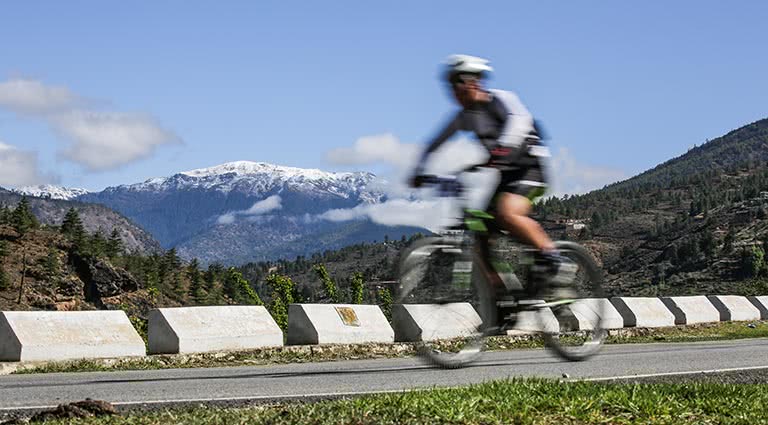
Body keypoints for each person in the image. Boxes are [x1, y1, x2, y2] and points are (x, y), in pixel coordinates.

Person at [409, 54, 574, 294]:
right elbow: (435, 143)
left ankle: (555, 259)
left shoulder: (501, 99)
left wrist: (502, 148)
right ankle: (502, 301)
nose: (453, 92)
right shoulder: (464, 117)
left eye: (457, 85)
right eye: (451, 87)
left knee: (507, 212)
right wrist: (420, 170)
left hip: (530, 167)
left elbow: (518, 122)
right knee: (481, 237)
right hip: (505, 175)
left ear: (472, 82)